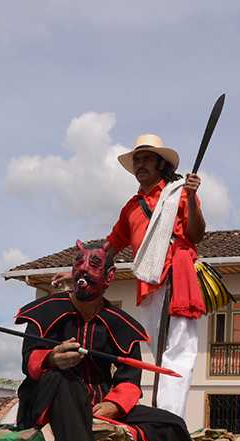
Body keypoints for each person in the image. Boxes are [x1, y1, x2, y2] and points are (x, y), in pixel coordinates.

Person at [54, 134, 206, 418]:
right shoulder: (131, 207)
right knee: (158, 353)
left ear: (161, 164)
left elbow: (196, 234)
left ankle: (170, 417)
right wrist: (77, 272)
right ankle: (163, 413)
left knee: (179, 353)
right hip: (148, 280)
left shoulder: (179, 192)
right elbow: (109, 247)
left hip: (177, 276)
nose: (140, 164)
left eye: (147, 158)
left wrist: (194, 197)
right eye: (137, 159)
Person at [16, 240, 201, 441]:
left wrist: (114, 405)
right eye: (78, 264)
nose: (83, 269)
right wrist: (52, 358)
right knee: (63, 379)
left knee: (170, 423)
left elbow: (130, 380)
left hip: (100, 404)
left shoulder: (121, 324)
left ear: (109, 276)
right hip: (46, 400)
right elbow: (28, 360)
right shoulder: (44, 310)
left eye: (93, 265)